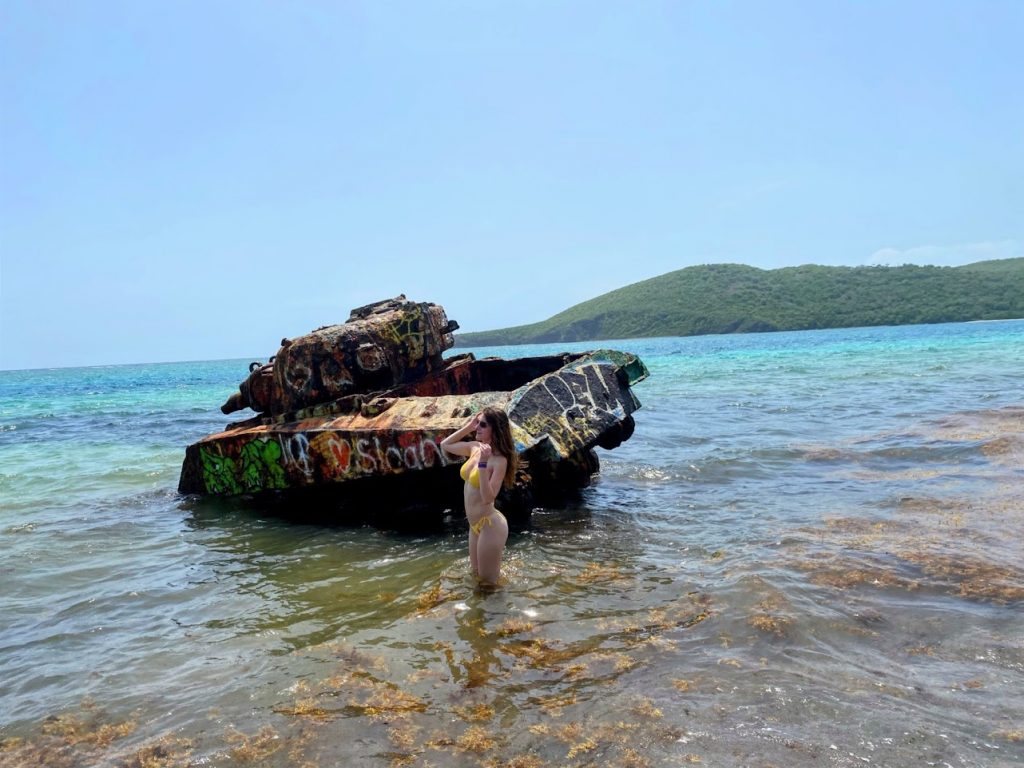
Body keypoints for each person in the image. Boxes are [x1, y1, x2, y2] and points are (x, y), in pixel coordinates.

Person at [440, 407, 519, 585]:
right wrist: (469, 426)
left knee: (488, 583)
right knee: (477, 576)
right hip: (474, 524)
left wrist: (483, 465)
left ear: (495, 429)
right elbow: (445, 445)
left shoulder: (500, 461)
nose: (478, 428)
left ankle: (501, 612)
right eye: (478, 424)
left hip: (490, 525)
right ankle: (482, 612)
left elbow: (487, 498)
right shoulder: (475, 448)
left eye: (482, 425)